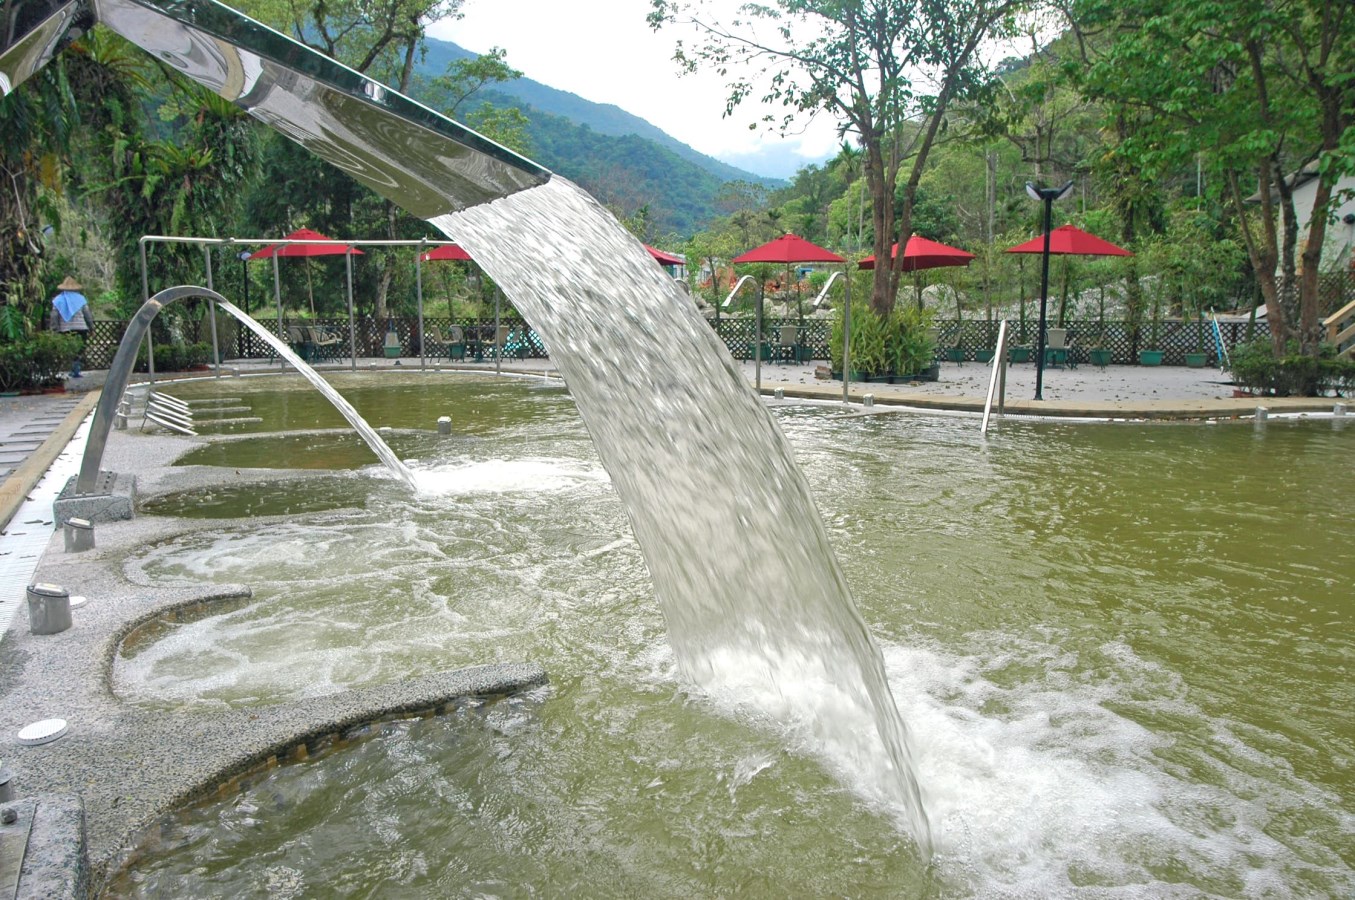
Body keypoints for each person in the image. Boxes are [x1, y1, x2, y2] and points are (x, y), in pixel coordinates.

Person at [50, 275, 93, 377]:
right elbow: (87, 314)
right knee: (80, 349)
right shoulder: (81, 299)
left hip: (65, 329)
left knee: (69, 350)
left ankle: (72, 369)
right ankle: (76, 370)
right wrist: (91, 327)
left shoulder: (58, 300)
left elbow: (54, 315)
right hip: (81, 328)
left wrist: (54, 329)